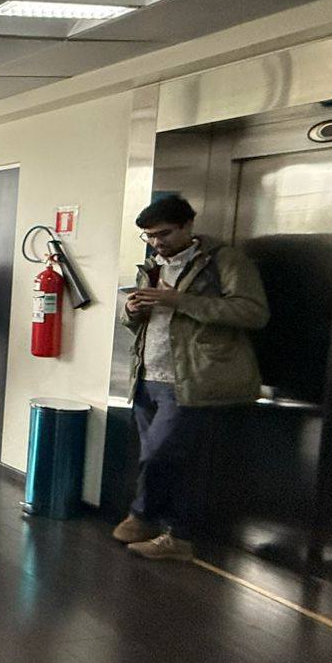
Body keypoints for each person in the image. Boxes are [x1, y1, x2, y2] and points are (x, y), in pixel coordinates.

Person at [117, 196, 268, 561]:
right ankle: (158, 526)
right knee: (157, 456)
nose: (156, 242)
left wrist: (179, 300)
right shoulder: (152, 265)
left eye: (164, 233)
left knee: (162, 456)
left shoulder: (224, 261)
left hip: (191, 378)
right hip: (147, 375)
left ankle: (161, 527)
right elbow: (143, 322)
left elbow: (253, 312)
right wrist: (131, 311)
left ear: (188, 225)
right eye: (149, 236)